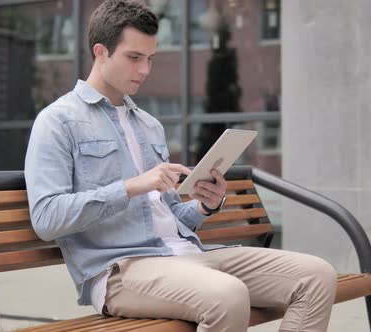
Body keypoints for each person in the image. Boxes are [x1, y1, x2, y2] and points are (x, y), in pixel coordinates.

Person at [24, 1, 337, 331]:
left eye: (150, 59)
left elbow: (167, 218)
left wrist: (204, 206)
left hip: (189, 255)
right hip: (122, 269)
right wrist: (133, 186)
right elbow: (46, 218)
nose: (144, 70)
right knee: (228, 296)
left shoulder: (149, 125)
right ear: (100, 52)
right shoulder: (58, 122)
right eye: (134, 58)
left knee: (316, 276)